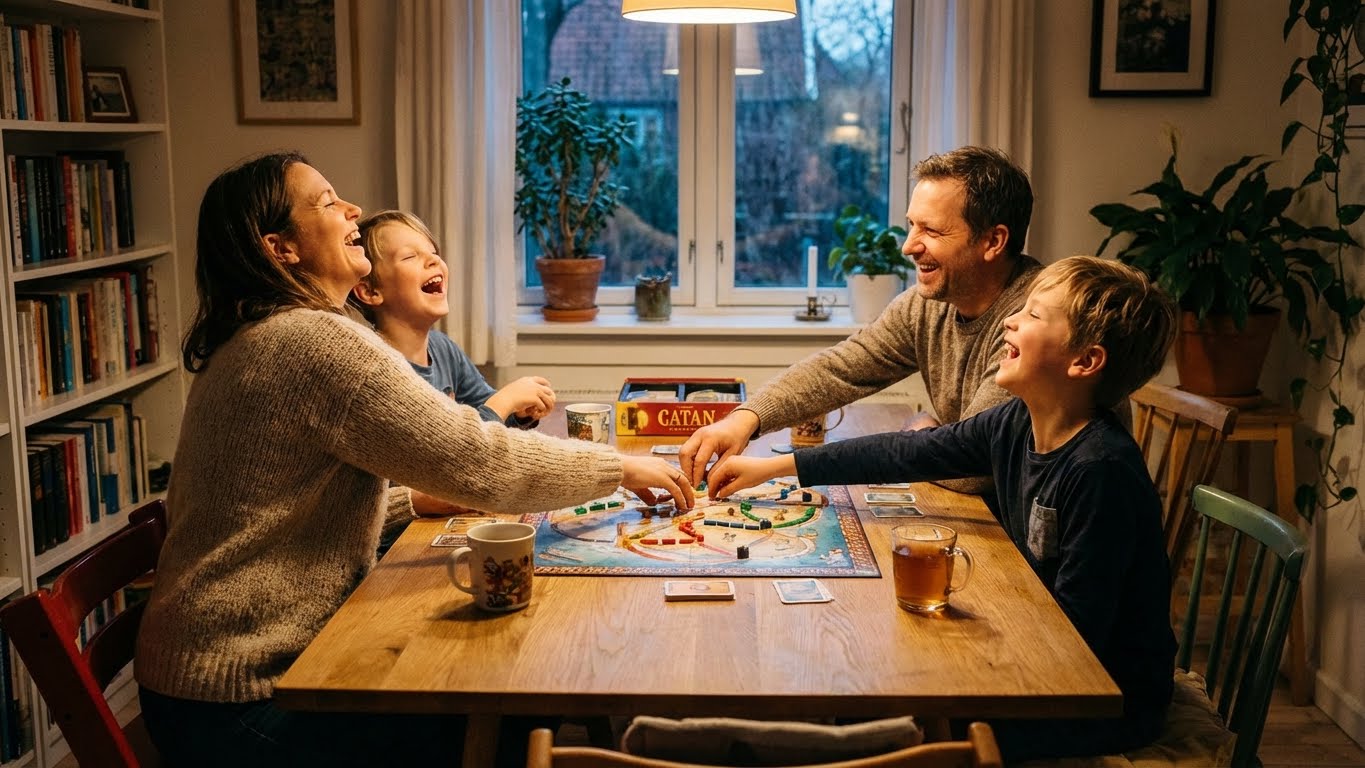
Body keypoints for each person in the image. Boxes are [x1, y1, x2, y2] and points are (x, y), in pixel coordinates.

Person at [133, 151, 695, 768]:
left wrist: (411, 500)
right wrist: (619, 469)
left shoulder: (269, 332)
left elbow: (283, 506)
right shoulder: (314, 339)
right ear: (280, 249)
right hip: (239, 701)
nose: (351, 210)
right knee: (520, 693)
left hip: (203, 682)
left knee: (516, 679)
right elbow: (482, 460)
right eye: (326, 202)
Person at [706, 256, 1178, 763]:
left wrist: (967, 632)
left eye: (1034, 316)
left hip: (1103, 703)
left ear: (1084, 362)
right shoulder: (1016, 421)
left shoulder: (1099, 470)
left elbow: (1075, 645)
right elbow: (905, 452)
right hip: (1045, 663)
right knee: (863, 689)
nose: (1010, 320)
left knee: (884, 716)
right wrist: (778, 468)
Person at [680, 145, 1039, 498]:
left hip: (1010, 537)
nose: (908, 246)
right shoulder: (927, 304)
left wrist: (921, 426)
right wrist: (744, 420)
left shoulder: (1034, 320)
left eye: (931, 231)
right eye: (912, 225)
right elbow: (841, 368)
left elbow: (971, 470)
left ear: (993, 240)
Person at [350, 209, 554, 542]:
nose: (433, 262)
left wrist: (519, 414)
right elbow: (453, 456)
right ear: (370, 291)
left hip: (441, 524)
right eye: (411, 256)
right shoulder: (379, 369)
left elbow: (488, 424)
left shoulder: (443, 349)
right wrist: (505, 400)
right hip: (397, 543)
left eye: (434, 253)